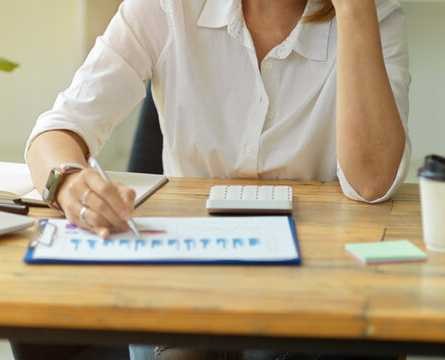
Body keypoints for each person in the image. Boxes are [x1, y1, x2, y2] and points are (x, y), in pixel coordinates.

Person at [21, 0, 410, 358]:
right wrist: (68, 181)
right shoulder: (166, 6)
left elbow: (372, 183)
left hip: (311, 287)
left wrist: (356, 9)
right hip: (183, 289)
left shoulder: (372, 14)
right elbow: (58, 130)